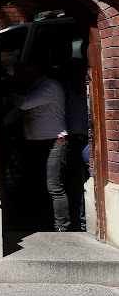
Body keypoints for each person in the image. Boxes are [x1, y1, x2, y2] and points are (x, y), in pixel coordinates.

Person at [7, 60, 70, 231]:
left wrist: (9, 92)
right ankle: (42, 223)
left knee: (54, 187)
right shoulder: (33, 88)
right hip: (36, 146)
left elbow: (24, 103)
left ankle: (61, 228)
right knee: (38, 186)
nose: (19, 77)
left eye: (22, 74)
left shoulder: (50, 86)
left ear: (34, 71)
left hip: (54, 145)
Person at [64, 59, 90, 231]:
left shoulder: (89, 92)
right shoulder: (67, 94)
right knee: (75, 184)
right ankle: (78, 221)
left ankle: (86, 222)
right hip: (73, 141)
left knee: (90, 181)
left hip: (89, 142)